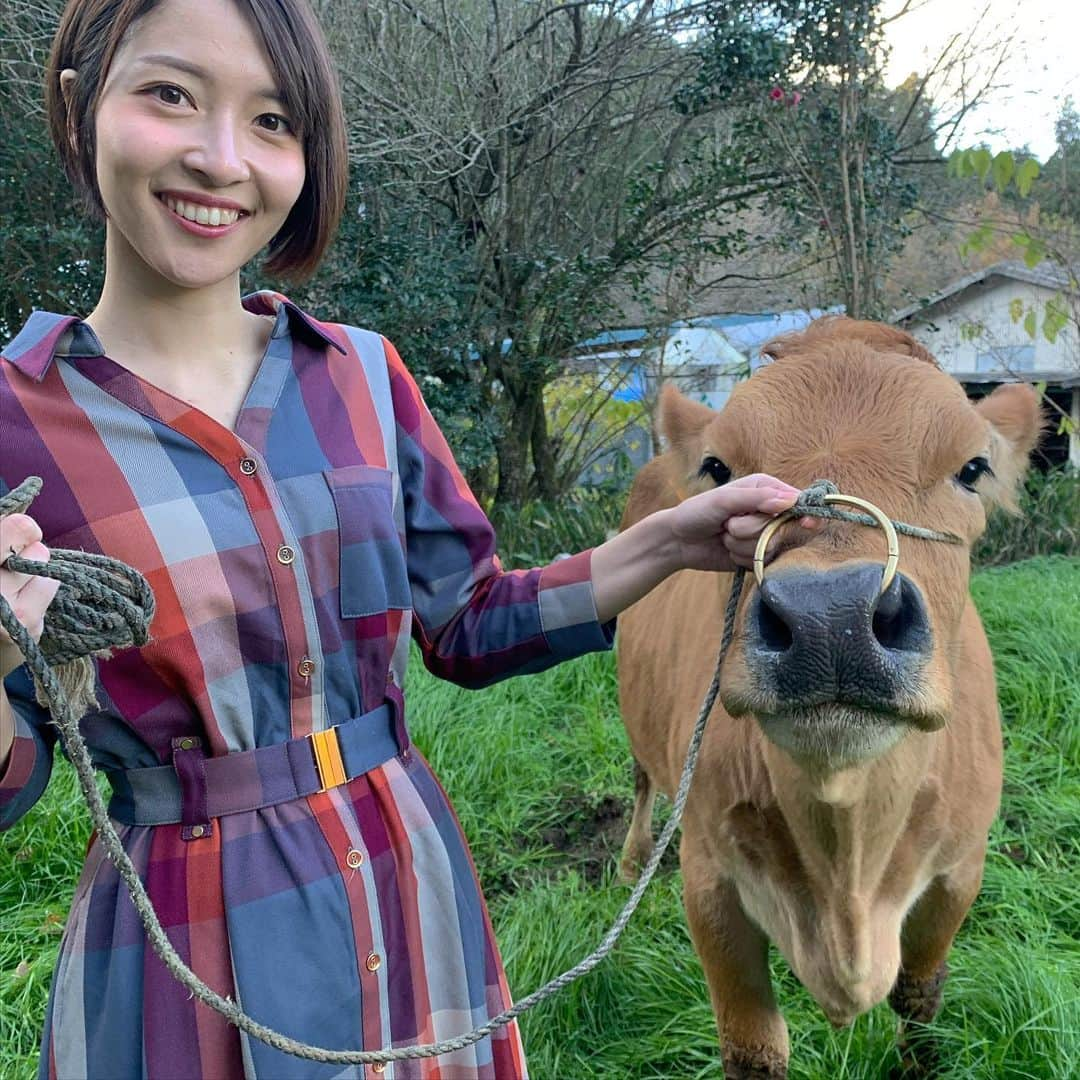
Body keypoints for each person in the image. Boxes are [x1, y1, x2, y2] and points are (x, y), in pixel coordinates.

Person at [0, 0, 810, 1076]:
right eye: (170, 96)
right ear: (78, 106)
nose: (220, 158)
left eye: (274, 121)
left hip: (404, 881)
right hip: (180, 941)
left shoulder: (363, 378)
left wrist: (668, 544)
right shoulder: (15, 421)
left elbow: (467, 624)